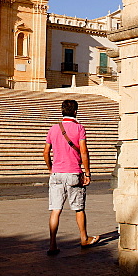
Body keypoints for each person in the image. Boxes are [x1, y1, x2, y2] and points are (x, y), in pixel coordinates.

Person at [43, 99, 100, 255]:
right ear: (75, 111)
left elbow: (46, 153)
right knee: (79, 208)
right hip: (74, 172)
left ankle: (53, 245)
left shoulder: (53, 129)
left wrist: (51, 169)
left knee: (55, 210)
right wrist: (87, 173)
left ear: (62, 111)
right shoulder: (79, 128)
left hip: (56, 174)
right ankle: (84, 238)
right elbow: (83, 151)